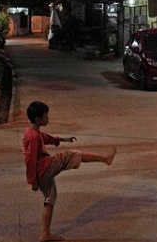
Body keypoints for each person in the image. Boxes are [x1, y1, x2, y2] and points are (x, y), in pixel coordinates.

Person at [22, 100, 116, 242]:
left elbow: (46, 138)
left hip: (42, 173)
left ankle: (45, 234)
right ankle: (105, 159)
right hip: (44, 169)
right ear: (38, 119)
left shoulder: (32, 132)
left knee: (50, 197)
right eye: (46, 116)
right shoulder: (34, 137)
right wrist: (33, 182)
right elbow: (30, 161)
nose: (48, 118)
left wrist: (62, 139)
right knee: (71, 155)